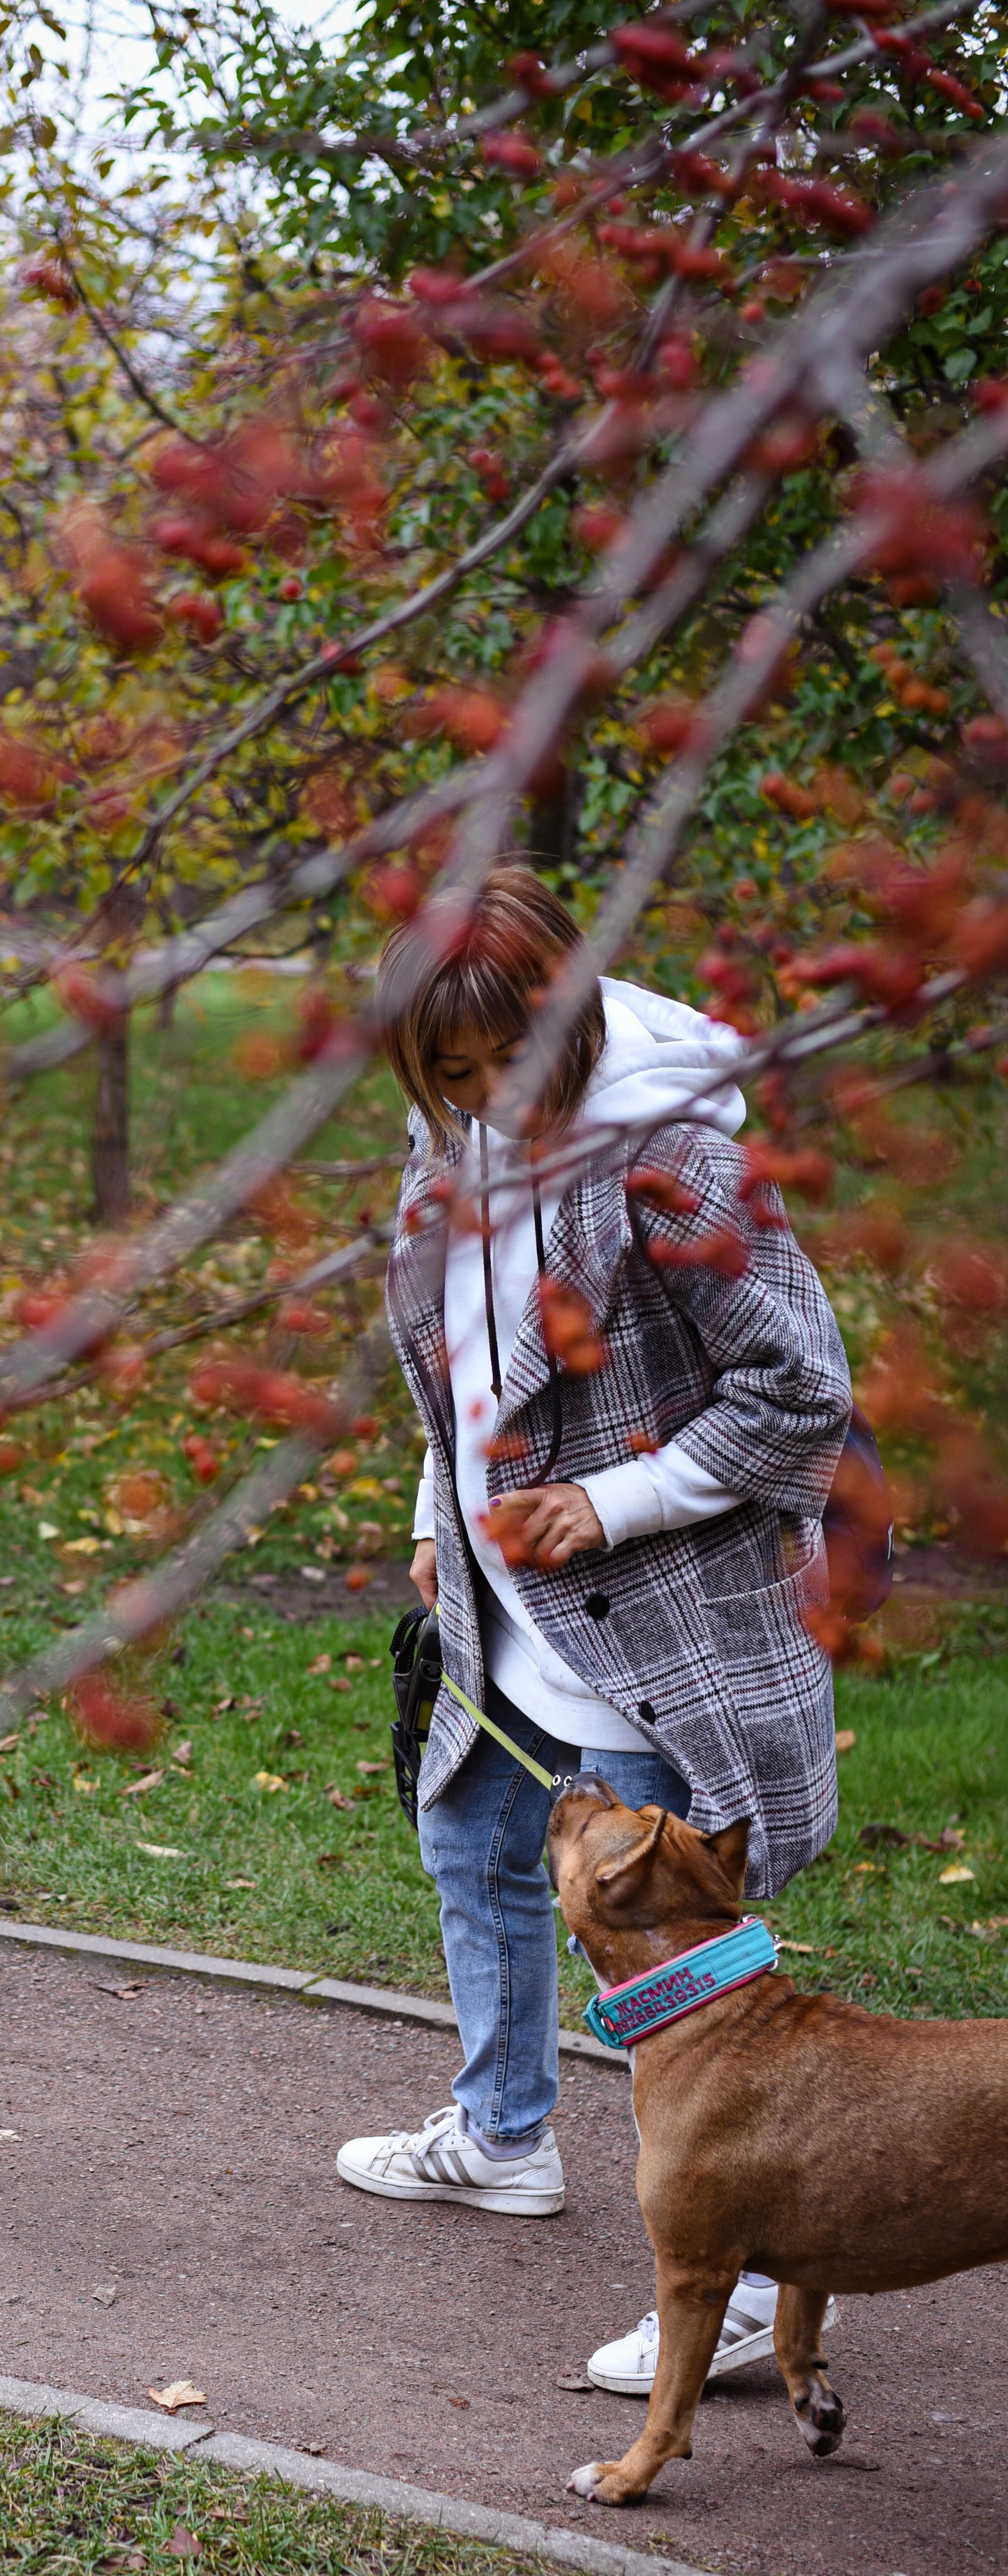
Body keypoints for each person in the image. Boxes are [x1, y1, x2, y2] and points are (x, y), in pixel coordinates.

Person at [333, 863, 853, 2394]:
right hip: (512, 1590)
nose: (485, 1096)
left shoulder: (673, 1165)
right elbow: (460, 1378)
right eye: (447, 1075)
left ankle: (747, 2279)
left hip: (658, 1603)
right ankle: (500, 2138)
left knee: (672, 1951)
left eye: (509, 1060)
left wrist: (607, 1503)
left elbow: (799, 1391)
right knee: (473, 1842)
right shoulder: (452, 1150)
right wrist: (443, 1521)